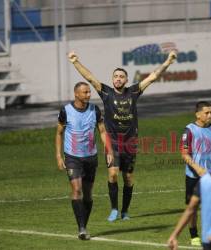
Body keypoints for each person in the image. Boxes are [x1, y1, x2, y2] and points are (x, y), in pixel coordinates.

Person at [68, 50, 177, 222]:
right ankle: (114, 209)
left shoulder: (133, 92)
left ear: (126, 80)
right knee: (112, 174)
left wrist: (167, 62)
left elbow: (153, 77)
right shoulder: (106, 92)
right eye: (115, 76)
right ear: (112, 80)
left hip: (130, 143)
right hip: (113, 143)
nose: (118, 78)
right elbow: (90, 78)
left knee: (128, 178)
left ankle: (125, 211)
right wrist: (75, 62)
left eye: (121, 76)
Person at [55, 82, 113, 240]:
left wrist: (108, 150)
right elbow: (59, 133)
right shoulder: (66, 111)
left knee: (87, 194)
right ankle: (81, 227)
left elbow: (102, 130)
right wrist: (59, 156)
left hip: (91, 158)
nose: (89, 94)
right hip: (72, 157)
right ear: (76, 94)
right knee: (77, 190)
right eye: (85, 92)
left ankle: (83, 225)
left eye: (89, 92)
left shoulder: (94, 110)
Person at [180, 101, 211, 246]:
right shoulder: (189, 130)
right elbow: (185, 154)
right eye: (207, 113)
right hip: (194, 176)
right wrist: (198, 169)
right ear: (198, 114)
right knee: (192, 208)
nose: (210, 115)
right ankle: (194, 236)